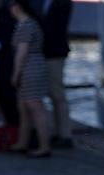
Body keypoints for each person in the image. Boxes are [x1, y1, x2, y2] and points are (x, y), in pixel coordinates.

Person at [9, 0, 51, 157]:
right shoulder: (28, 24)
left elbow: (22, 52)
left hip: (30, 68)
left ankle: (44, 146)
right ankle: (23, 142)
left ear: (18, 6)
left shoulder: (26, 25)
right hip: (32, 67)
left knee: (35, 106)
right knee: (23, 107)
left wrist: (15, 73)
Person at [39, 0, 73, 148]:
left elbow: (56, 28)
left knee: (58, 94)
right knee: (54, 95)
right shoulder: (49, 3)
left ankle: (65, 135)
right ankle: (58, 133)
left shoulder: (62, 3)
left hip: (54, 53)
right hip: (50, 52)